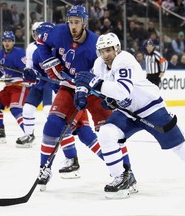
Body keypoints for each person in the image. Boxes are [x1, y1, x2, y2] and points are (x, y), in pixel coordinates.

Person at [74, 32, 185, 199]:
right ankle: (120, 177)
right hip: (127, 112)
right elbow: (89, 80)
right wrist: (81, 91)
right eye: (102, 51)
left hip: (151, 108)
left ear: (117, 48)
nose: (106, 55)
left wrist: (96, 85)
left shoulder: (124, 60)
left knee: (180, 147)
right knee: (107, 133)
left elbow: (121, 90)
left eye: (109, 50)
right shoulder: (99, 64)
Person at [23, 5, 137, 192]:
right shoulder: (59, 33)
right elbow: (40, 42)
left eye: (76, 22)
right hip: (68, 88)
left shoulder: (95, 45)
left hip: (93, 91)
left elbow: (107, 72)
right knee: (52, 125)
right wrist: (49, 64)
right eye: (70, 22)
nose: (73, 26)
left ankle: (126, 172)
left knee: (110, 132)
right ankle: (44, 169)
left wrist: (104, 92)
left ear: (84, 23)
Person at [15, 22, 59, 148]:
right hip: (39, 83)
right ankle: (29, 135)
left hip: (50, 83)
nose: (38, 36)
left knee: (47, 110)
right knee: (27, 109)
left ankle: (57, 135)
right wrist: (29, 75)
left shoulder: (54, 48)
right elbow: (29, 68)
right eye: (36, 33)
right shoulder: (31, 48)